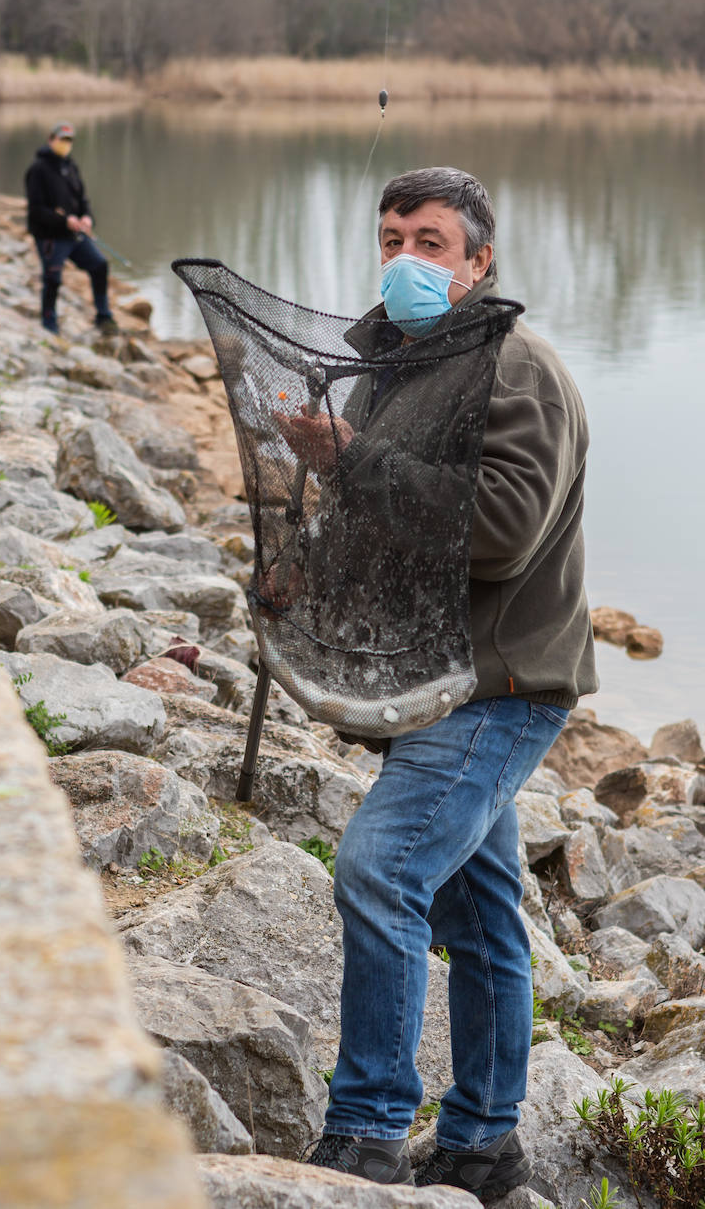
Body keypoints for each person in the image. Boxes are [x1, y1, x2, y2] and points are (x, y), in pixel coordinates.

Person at [278, 167, 598, 1197]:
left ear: (478, 262)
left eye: (429, 243)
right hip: (427, 678)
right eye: (390, 240)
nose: (405, 261)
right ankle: (482, 1146)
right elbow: (390, 519)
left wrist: (355, 457)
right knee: (481, 912)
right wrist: (313, 550)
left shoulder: (521, 369)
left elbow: (498, 534)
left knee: (379, 870)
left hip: (501, 681)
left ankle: (367, 1128)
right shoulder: (392, 367)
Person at [24, 121, 117, 335]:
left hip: (75, 235)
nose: (65, 144)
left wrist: (87, 218)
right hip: (50, 237)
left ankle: (104, 316)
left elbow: (83, 199)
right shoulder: (37, 169)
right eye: (61, 139)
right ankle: (49, 324)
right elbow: (36, 210)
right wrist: (63, 221)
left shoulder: (70, 166)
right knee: (53, 278)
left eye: (69, 140)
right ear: (51, 139)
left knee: (99, 265)